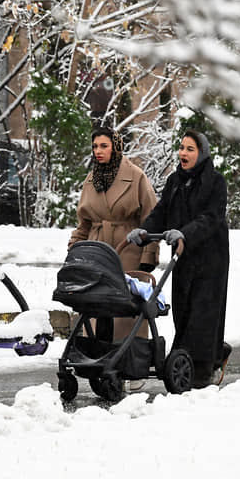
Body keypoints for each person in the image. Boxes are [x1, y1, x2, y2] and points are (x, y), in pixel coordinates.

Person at [127, 130, 232, 389]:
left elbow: (211, 218)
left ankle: (202, 370)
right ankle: (204, 356)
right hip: (183, 256)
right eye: (182, 148)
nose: (183, 153)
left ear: (202, 153)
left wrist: (185, 232)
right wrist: (145, 231)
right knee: (183, 313)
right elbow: (162, 211)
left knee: (204, 315)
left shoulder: (215, 182)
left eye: (190, 149)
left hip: (211, 259)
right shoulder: (175, 180)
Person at [68, 125, 160, 346]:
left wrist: (149, 255)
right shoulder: (91, 179)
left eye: (103, 146)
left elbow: (151, 216)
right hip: (98, 250)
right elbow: (84, 223)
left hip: (128, 247)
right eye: (95, 146)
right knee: (96, 306)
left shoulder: (136, 176)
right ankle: (98, 357)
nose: (98, 151)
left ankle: (130, 359)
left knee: (125, 309)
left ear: (116, 147)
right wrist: (74, 250)